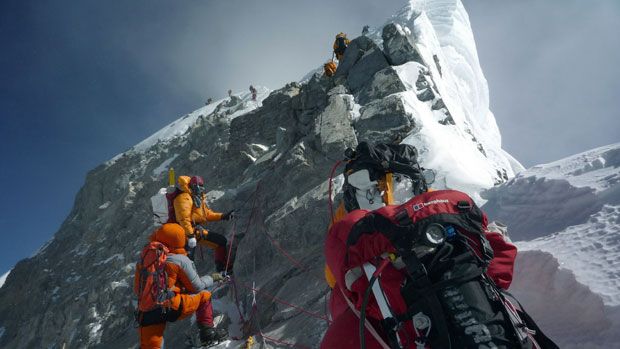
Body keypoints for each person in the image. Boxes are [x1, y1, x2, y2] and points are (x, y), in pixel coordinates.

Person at [135, 223, 228, 348]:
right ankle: (208, 334)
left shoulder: (145, 257)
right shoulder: (179, 259)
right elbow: (197, 287)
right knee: (204, 296)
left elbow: (137, 289)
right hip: (170, 306)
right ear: (179, 239)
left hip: (145, 311)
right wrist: (213, 277)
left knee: (151, 345)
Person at [173, 175, 235, 272]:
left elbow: (206, 214)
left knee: (221, 241)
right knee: (188, 259)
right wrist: (190, 236)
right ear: (195, 186)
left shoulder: (196, 198)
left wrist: (223, 216)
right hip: (184, 234)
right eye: (200, 187)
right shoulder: (184, 197)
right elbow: (184, 219)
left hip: (195, 232)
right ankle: (187, 283)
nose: (201, 189)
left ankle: (222, 268)